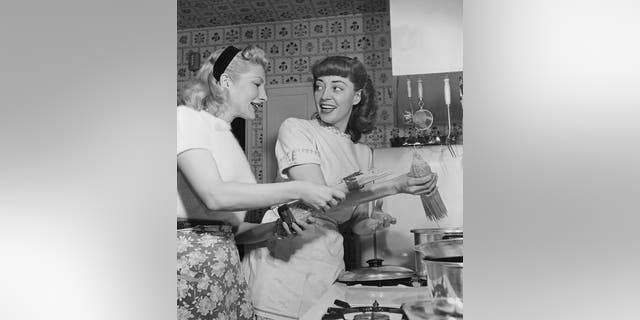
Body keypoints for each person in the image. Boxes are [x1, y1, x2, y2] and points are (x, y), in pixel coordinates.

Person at [243, 56, 439, 319]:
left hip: (327, 265)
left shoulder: (364, 153)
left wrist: (372, 221)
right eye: (319, 86)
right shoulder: (297, 129)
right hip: (283, 261)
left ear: (356, 96)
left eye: (336, 87)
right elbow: (318, 197)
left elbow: (354, 225)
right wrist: (394, 185)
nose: (324, 95)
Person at [176, 45, 346, 320]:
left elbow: (236, 231)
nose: (264, 96)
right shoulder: (186, 119)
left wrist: (277, 228)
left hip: (226, 275)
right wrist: (300, 188)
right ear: (227, 82)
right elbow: (215, 196)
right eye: (257, 84)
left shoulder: (227, 140)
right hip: (188, 271)